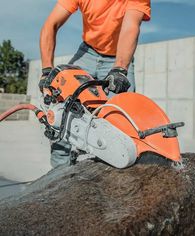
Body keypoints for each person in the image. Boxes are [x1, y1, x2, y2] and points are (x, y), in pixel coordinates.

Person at [39, 0, 151, 167]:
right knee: (62, 110)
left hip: (118, 57)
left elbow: (131, 26)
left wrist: (120, 68)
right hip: (87, 52)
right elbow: (51, 24)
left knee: (122, 119)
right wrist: (47, 70)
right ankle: (58, 172)